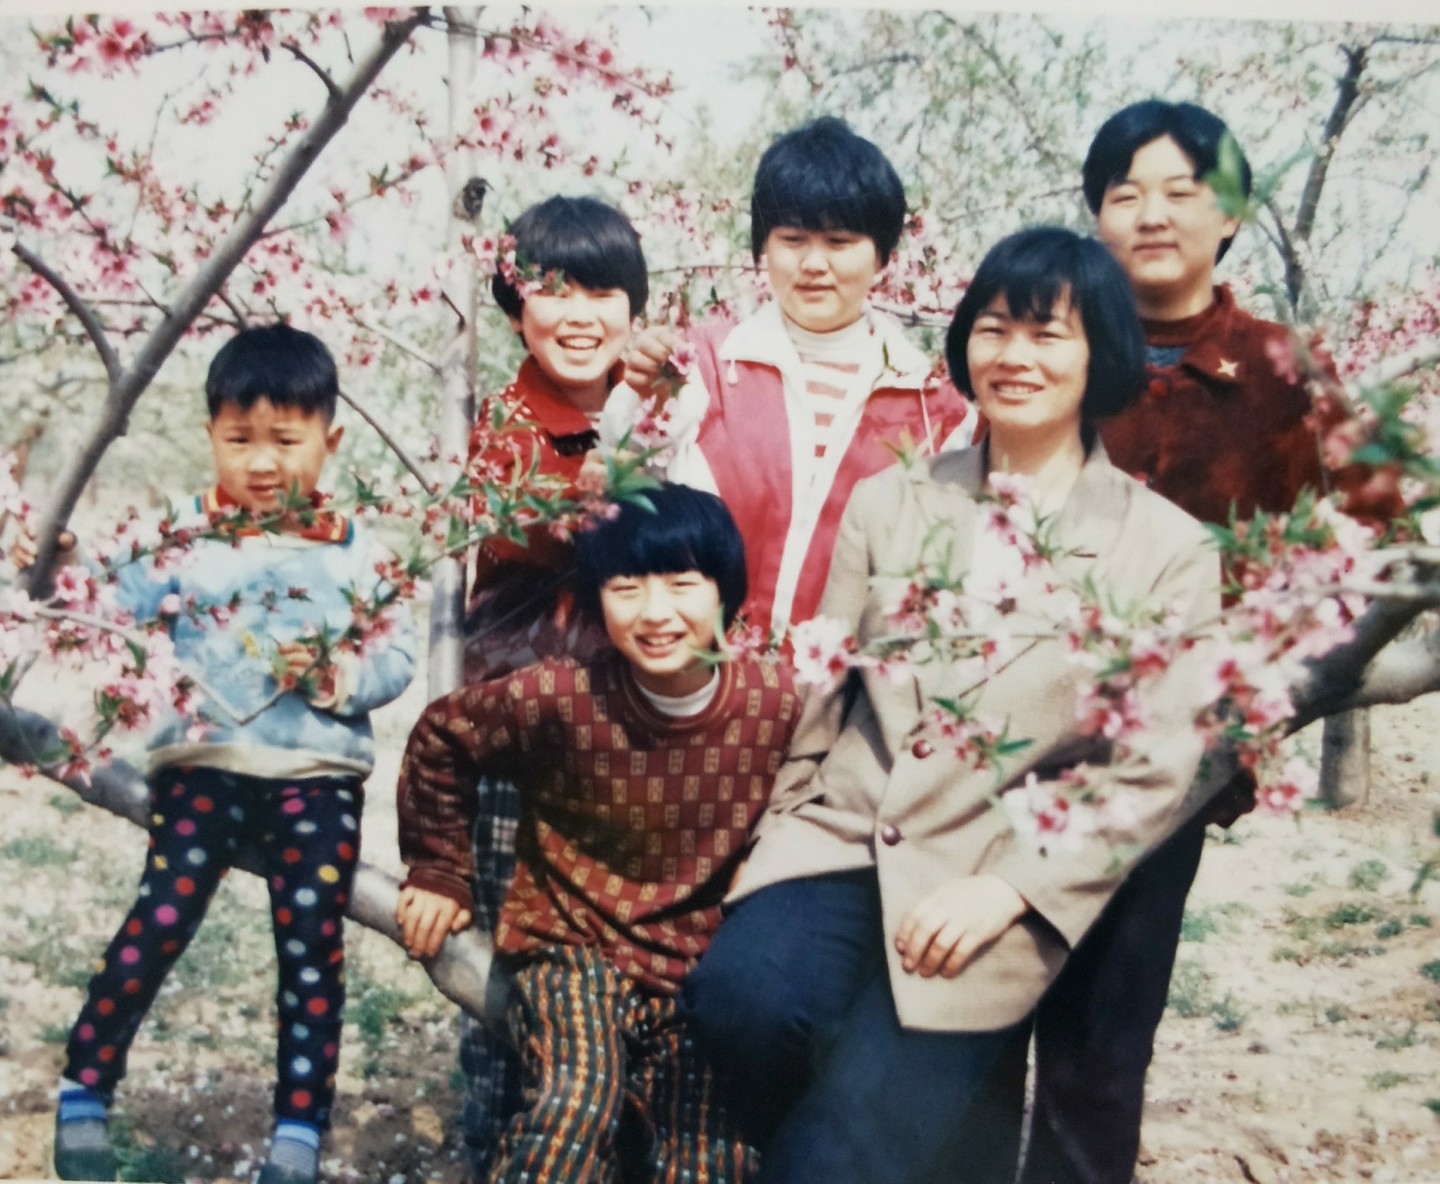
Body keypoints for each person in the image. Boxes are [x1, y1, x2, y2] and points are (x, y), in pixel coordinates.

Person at [681, 227, 1223, 1184]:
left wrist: (1013, 891)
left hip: (990, 871)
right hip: (846, 839)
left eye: (1048, 335)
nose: (1015, 356)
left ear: (1102, 354)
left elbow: (1150, 773)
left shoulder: (1165, 552)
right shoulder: (892, 502)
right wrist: (784, 834)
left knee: (839, 1156)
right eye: (995, 328)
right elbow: (829, 689)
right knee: (738, 1005)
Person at [1012, 100, 1405, 1184]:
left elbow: (1384, 545)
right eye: (1126, 193)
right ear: (1095, 215)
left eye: (1181, 192)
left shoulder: (1287, 371)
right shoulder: (1045, 343)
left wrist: (1271, 671)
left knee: (1102, 1043)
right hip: (1006, 736)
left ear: (1229, 214)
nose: (1152, 214)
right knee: (973, 1025)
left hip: (1172, 761)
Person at [37, 323, 417, 1184]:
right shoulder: (182, 534)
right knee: (161, 919)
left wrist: (338, 675)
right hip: (202, 770)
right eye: (239, 440)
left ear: (330, 440)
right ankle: (85, 1089)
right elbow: (107, 601)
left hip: (316, 781)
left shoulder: (358, 552)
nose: (262, 462)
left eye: (285, 440)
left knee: (311, 950)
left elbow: (395, 657)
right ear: (210, 434)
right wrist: (64, 560)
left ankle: (297, 1134)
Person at [395, 483, 800, 1184]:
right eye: (626, 587)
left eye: (682, 584)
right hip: (573, 944)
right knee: (575, 1103)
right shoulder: (560, 696)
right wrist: (439, 869)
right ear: (595, 598)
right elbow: (443, 736)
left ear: (725, 591)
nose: (656, 612)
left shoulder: (777, 705)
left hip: (696, 967)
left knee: (714, 1153)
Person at [603, 115, 975, 641]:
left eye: (840, 241)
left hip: (845, 678)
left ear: (883, 256)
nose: (814, 263)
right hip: (707, 667)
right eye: (793, 239)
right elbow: (625, 477)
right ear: (763, 247)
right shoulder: (703, 365)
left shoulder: (933, 406)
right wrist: (642, 398)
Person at [455, 193, 649, 1177]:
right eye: (553, 292)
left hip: (635, 742)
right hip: (523, 742)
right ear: (513, 306)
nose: (579, 315)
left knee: (622, 960)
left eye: (602, 293)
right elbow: (521, 522)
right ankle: (497, 1141)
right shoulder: (507, 421)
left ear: (635, 307)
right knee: (510, 960)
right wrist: (604, 475)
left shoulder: (658, 410)